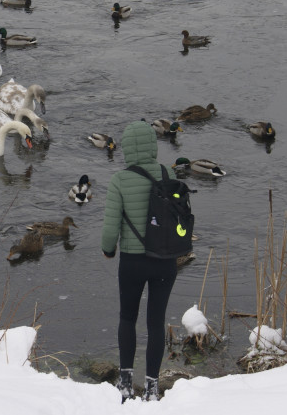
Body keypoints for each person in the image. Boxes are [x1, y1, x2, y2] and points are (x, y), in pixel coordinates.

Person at [100, 119, 178, 402]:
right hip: (165, 260)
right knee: (156, 323)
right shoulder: (167, 172)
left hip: (132, 262)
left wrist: (108, 250)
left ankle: (124, 383)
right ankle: (152, 388)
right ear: (153, 146)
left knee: (127, 318)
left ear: (127, 149)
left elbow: (110, 229)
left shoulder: (119, 180)